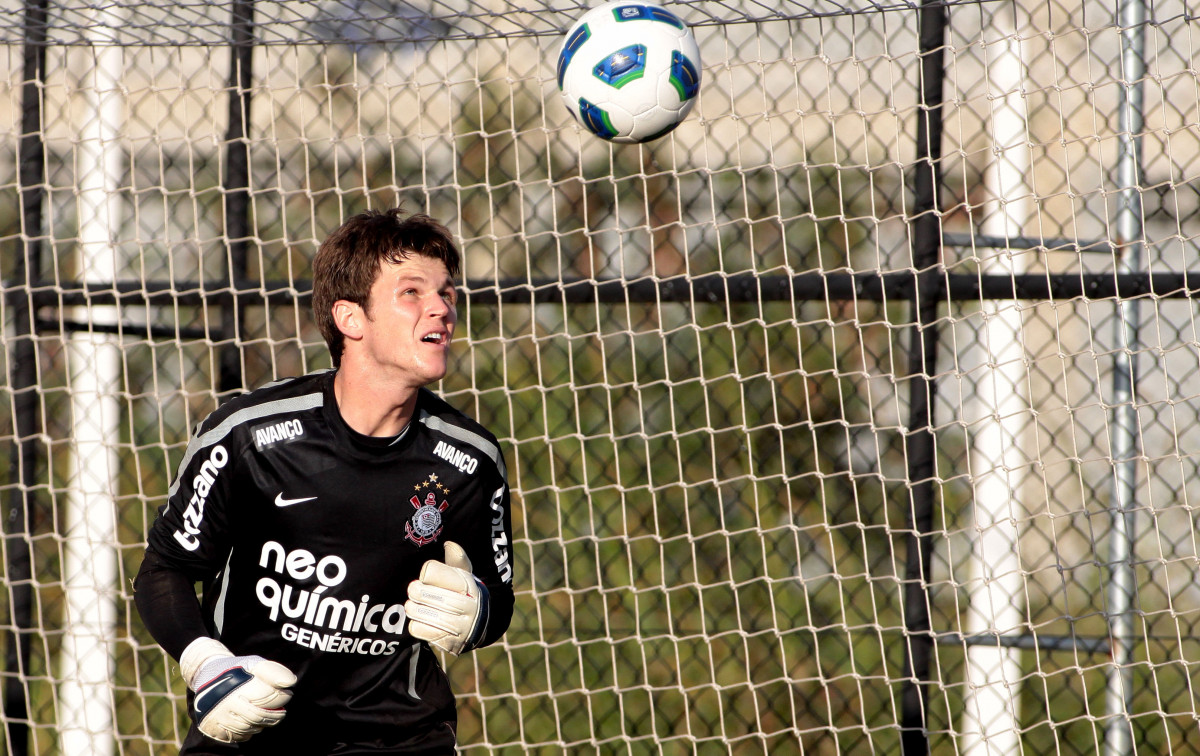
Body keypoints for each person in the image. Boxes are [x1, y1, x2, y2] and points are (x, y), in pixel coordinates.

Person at [134, 207, 515, 755]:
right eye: (412, 292)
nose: (441, 308)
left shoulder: (469, 459)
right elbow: (164, 571)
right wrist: (209, 667)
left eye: (446, 293)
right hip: (253, 727)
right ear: (350, 318)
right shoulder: (244, 435)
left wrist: (477, 612)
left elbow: (497, 599)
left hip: (401, 738)